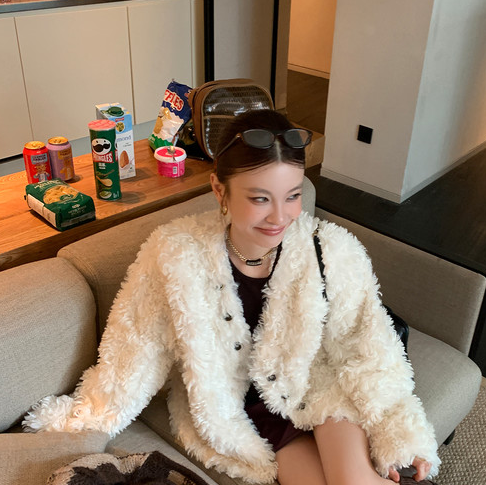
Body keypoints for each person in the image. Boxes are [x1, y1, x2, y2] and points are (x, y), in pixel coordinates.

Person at [24, 110, 440, 485]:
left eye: (293, 195)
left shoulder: (330, 249)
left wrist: (401, 431)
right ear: (220, 191)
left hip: (319, 386)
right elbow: (137, 346)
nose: (280, 216)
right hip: (252, 413)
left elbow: (367, 344)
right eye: (260, 198)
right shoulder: (176, 255)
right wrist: (84, 420)